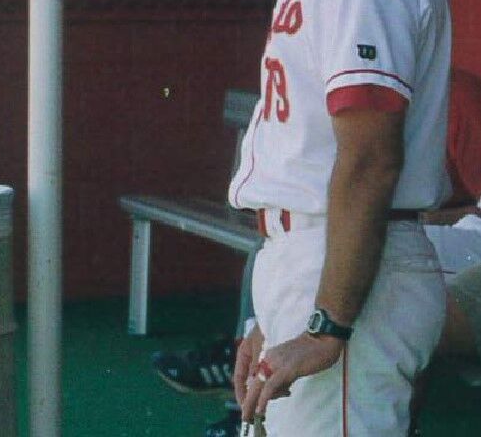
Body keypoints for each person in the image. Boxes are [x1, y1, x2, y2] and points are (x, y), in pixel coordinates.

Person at [185, 0, 452, 436]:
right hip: (312, 259)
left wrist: (327, 321)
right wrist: (271, 311)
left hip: (348, 275)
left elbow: (368, 156)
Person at [152, 69, 481, 436]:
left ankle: (249, 382)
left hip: (460, 238)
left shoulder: (454, 95)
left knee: (371, 275)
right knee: (305, 251)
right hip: (413, 232)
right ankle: (249, 385)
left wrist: (424, 215)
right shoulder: (360, 92)